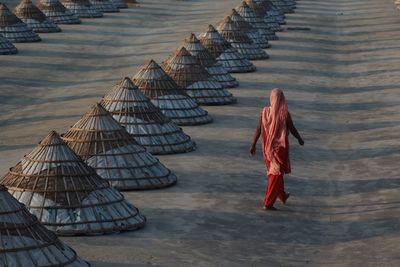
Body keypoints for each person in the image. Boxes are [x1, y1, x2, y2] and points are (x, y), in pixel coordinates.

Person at [249, 89, 304, 210]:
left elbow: (258, 129)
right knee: (276, 174)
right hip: (280, 148)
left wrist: (253, 144)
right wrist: (300, 139)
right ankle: (268, 203)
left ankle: (282, 195)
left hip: (268, 148)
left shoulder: (265, 112)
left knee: (276, 172)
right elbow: (292, 128)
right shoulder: (284, 113)